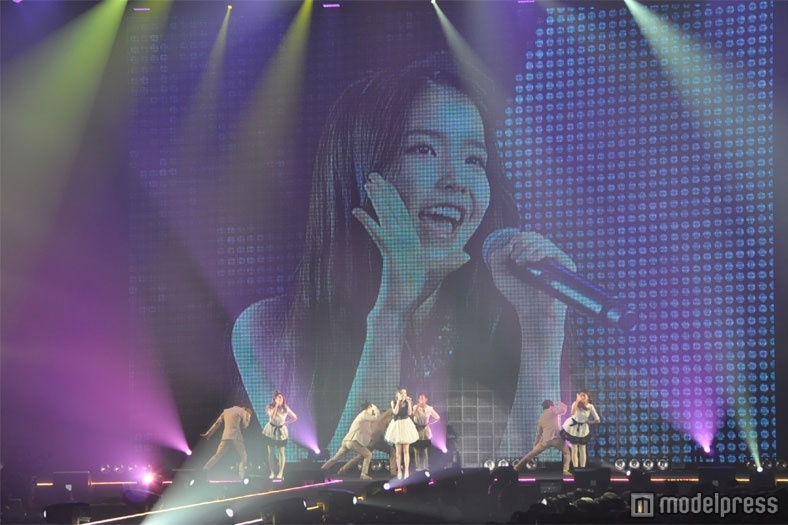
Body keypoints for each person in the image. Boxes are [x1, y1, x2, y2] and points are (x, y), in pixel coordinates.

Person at [231, 51, 575, 459]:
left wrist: (541, 331)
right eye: (424, 150)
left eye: (473, 159)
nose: (456, 181)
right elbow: (337, 484)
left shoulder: (505, 314)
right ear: (361, 169)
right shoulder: (271, 329)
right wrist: (390, 315)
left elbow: (540, 479)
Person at [321, 401, 381, 480]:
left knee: (336, 458)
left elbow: (367, 429)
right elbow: (377, 418)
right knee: (368, 455)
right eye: (371, 409)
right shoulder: (365, 414)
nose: (372, 411)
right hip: (352, 442)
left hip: (346, 441)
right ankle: (363, 474)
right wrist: (375, 408)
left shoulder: (363, 416)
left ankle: (321, 471)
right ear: (369, 407)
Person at [512, 400, 571, 476]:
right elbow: (563, 410)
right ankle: (565, 471)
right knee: (566, 453)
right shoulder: (552, 410)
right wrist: (560, 403)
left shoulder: (541, 418)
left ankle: (517, 466)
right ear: (551, 406)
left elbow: (538, 434)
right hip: (556, 439)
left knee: (531, 454)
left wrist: (535, 445)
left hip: (545, 440)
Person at [200, 405, 252, 479]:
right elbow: (244, 426)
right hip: (236, 437)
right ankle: (242, 476)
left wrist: (208, 434)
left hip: (226, 436)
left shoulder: (226, 411)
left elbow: (217, 423)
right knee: (244, 457)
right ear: (245, 408)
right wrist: (248, 416)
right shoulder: (242, 411)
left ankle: (204, 470)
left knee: (217, 455)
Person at [384, 388, 419, 479]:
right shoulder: (393, 402)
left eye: (405, 393)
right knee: (398, 451)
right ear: (398, 395)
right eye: (401, 393)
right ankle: (399, 470)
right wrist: (398, 402)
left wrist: (410, 403)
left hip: (406, 424)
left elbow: (410, 413)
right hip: (397, 425)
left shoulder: (408, 402)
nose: (404, 395)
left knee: (406, 451)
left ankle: (406, 470)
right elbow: (395, 412)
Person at [560, 391, 600, 469]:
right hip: (573, 427)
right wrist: (577, 401)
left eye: (584, 396)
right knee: (574, 448)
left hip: (583, 428)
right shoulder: (575, 403)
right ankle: (575, 468)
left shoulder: (590, 406)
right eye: (581, 396)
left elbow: (597, 420)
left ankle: (582, 468)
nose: (582, 397)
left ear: (588, 397)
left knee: (582, 449)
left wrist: (589, 422)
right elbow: (572, 413)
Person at [262, 391, 297, 479]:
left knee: (281, 452)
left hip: (281, 431)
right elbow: (272, 417)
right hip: (271, 430)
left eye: (281, 397)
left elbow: (295, 417)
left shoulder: (285, 408)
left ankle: (280, 472)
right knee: (270, 452)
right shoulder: (270, 407)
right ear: (274, 399)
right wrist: (276, 406)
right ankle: (272, 472)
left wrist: (286, 423)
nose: (279, 399)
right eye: (278, 397)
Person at [411, 393, 440, 471]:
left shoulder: (429, 408)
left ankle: (425, 466)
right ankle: (418, 467)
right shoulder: (415, 407)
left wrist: (429, 423)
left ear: (426, 399)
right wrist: (418, 406)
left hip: (425, 429)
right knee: (417, 449)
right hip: (417, 429)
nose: (421, 400)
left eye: (422, 398)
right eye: (420, 398)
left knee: (424, 449)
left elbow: (437, 417)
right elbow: (413, 414)